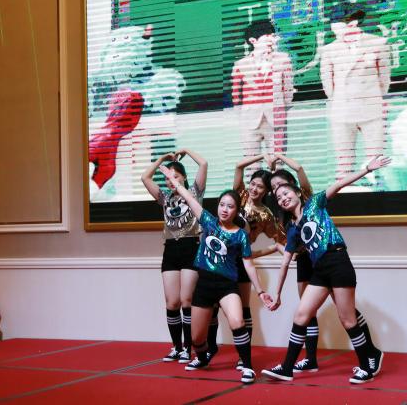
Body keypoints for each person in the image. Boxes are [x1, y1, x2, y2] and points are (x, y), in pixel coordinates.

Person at [262, 155, 390, 384]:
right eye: (278, 197)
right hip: (319, 270)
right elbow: (285, 262)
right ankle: (287, 368)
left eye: (286, 193)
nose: (283, 198)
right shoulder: (292, 228)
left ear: (297, 193)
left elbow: (339, 184)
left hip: (338, 261)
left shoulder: (315, 203)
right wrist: (277, 294)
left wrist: (367, 170)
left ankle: (366, 367)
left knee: (348, 320)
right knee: (301, 315)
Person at [159, 165, 273, 384]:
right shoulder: (208, 222)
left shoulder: (240, 235)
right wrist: (173, 181)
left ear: (236, 211)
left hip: (227, 287)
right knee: (196, 338)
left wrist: (261, 292)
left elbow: (248, 265)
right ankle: (202, 357)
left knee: (237, 321)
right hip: (203, 286)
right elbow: (188, 197)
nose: (225, 209)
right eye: (222, 205)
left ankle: (247, 366)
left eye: (230, 206)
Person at [206, 154, 285, 370]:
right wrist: (262, 156)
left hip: (241, 264)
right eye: (253, 183)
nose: (254, 189)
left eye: (260, 187)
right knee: (211, 305)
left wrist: (275, 249)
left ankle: (244, 356)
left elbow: (280, 241)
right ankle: (210, 348)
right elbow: (239, 167)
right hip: (218, 259)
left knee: (244, 308)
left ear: (267, 191)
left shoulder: (266, 215)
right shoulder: (239, 196)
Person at [141, 149, 207, 364]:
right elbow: (145, 178)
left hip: (191, 247)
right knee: (172, 302)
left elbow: (203, 164)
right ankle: (176, 347)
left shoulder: (194, 193)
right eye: (168, 178)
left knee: (186, 300)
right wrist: (162, 159)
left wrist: (186, 151)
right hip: (170, 249)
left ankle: (188, 348)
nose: (170, 181)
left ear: (184, 178)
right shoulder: (165, 198)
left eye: (175, 176)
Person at [320, 3, 391, 181]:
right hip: (342, 111)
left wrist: (373, 97)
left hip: (371, 109)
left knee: (375, 159)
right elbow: (328, 84)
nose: (335, 31)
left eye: (338, 26)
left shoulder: (378, 43)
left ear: (352, 24)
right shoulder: (329, 50)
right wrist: (340, 98)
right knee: (344, 161)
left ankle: (377, 191)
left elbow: (384, 79)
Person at [231, 20, 295, 175]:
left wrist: (281, 110)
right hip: (250, 120)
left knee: (278, 164)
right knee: (252, 164)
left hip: (276, 119)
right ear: (253, 41)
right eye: (267, 36)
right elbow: (236, 96)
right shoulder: (241, 64)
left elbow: (288, 90)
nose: (272, 39)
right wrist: (243, 115)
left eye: (272, 35)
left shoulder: (283, 59)